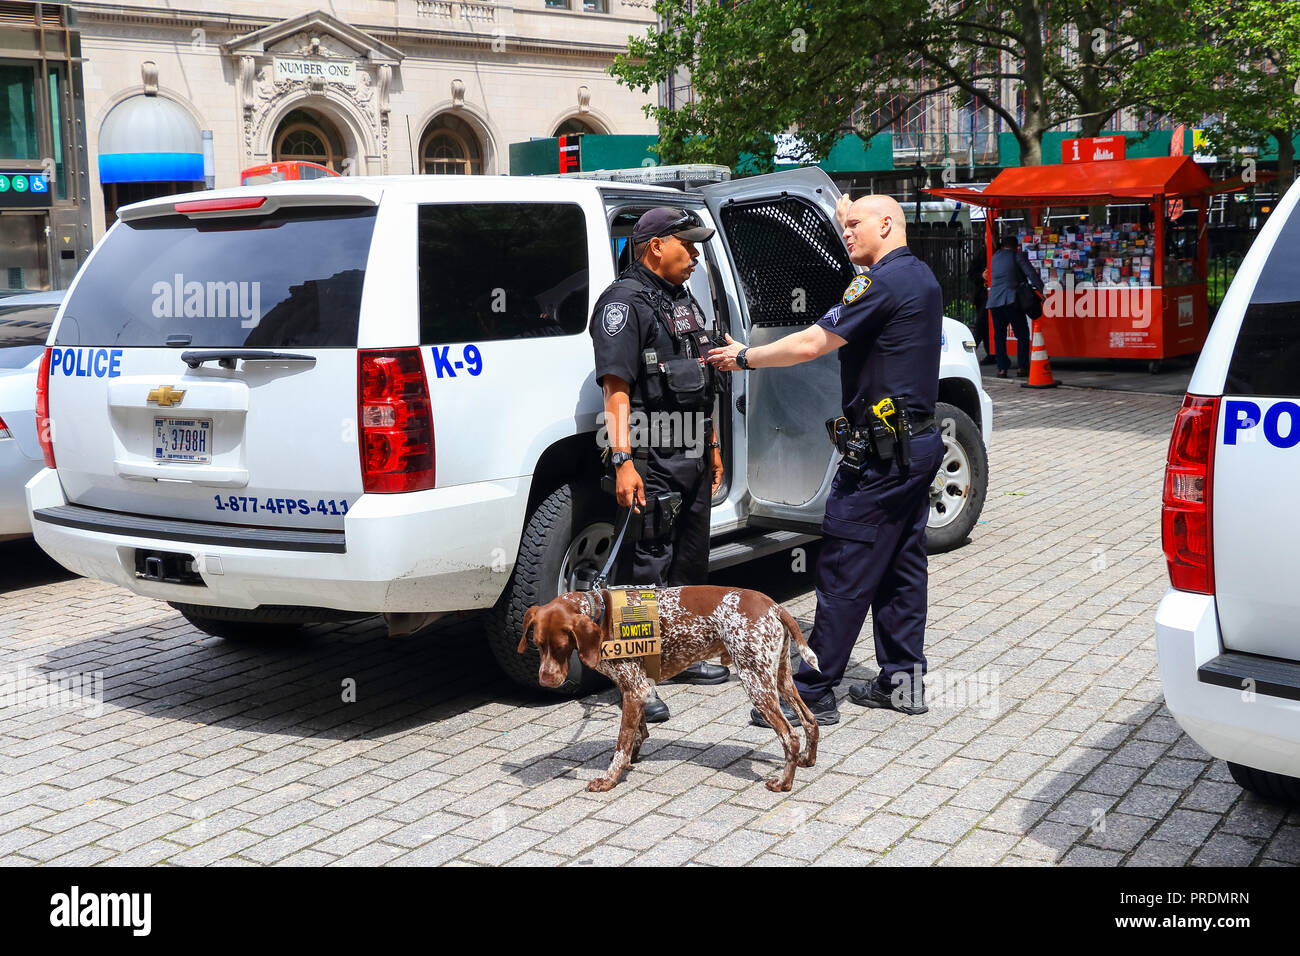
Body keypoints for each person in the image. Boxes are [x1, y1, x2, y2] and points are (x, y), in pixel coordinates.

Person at [708, 194, 945, 723]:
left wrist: (744, 357)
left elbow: (814, 343)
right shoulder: (922, 278)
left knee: (844, 566)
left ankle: (812, 691)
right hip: (917, 446)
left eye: (855, 225)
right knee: (903, 567)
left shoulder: (879, 282)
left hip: (881, 456)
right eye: (844, 227)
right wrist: (845, 209)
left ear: (888, 224)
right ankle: (902, 684)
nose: (847, 235)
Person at [589, 207, 730, 722]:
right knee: (645, 565)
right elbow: (617, 389)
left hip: (691, 450)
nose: (694, 255)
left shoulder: (680, 299)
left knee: (689, 558)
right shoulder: (623, 306)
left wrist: (712, 446)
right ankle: (635, 680)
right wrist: (623, 460)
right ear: (655, 248)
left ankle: (679, 658)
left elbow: (702, 378)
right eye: (686, 246)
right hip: (650, 455)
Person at [987, 234, 1044, 379]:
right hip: (1011, 301)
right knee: (1022, 335)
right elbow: (1031, 274)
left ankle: (1002, 369)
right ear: (1015, 246)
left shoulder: (995, 257)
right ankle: (1022, 367)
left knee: (999, 337)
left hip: (994, 302)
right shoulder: (1017, 256)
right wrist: (1040, 289)